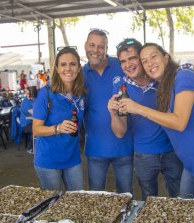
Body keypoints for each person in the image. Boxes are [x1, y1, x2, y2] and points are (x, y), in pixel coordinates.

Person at [119, 43, 194, 206]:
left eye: (154, 56)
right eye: (145, 61)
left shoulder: (183, 77)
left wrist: (139, 108)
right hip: (192, 160)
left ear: (166, 57)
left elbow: (179, 122)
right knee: (185, 208)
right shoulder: (163, 87)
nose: (150, 63)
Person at [108, 38, 183, 200]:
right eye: (123, 61)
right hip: (144, 154)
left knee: (179, 197)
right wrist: (113, 114)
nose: (128, 65)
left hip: (172, 150)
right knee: (149, 200)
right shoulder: (121, 88)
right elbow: (120, 132)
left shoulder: (163, 80)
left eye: (132, 58)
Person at [83, 29, 133, 194]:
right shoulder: (80, 74)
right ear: (85, 46)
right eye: (92, 45)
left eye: (101, 46)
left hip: (123, 146)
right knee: (97, 198)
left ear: (106, 49)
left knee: (126, 196)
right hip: (95, 148)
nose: (95, 50)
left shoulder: (121, 66)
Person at [32, 47, 86, 191]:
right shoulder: (46, 94)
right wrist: (57, 128)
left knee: (77, 201)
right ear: (56, 68)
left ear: (79, 68)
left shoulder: (80, 93)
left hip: (72, 158)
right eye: (63, 64)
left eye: (73, 64)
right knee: (52, 204)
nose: (68, 69)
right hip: (49, 160)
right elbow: (36, 130)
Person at [20, 86, 35, 154]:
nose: (29, 95)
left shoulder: (34, 100)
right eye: (28, 93)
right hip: (26, 123)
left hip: (33, 121)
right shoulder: (26, 102)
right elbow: (35, 113)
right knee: (37, 129)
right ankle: (31, 148)